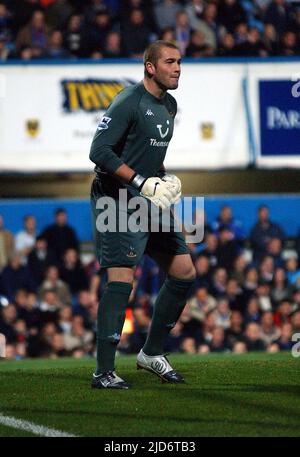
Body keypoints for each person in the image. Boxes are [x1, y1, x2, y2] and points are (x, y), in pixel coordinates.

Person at [89, 40, 196, 389]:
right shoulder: (128, 101)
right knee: (121, 281)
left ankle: (151, 354)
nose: (177, 67)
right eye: (170, 61)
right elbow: (99, 151)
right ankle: (103, 371)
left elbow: (146, 155)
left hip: (148, 198)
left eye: (179, 62)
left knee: (184, 273)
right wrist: (140, 181)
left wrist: (163, 178)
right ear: (150, 67)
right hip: (116, 198)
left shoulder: (170, 105)